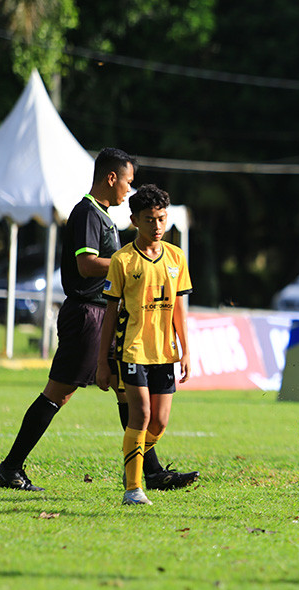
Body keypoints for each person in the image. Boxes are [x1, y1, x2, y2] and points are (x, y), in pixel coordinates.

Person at [0, 148, 198, 492]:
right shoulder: (87, 213)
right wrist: (130, 263)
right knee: (58, 393)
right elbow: (86, 264)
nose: (129, 190)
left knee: (126, 394)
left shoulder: (103, 215)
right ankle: (10, 467)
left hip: (105, 315)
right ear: (111, 178)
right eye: (128, 182)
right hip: (86, 315)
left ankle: (151, 472)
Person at [96, 184, 193, 506]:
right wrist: (102, 360)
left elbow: (179, 309)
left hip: (164, 352)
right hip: (133, 349)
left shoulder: (176, 257)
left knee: (160, 422)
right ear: (135, 220)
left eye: (162, 219)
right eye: (150, 220)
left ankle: (132, 459)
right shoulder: (122, 260)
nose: (157, 226)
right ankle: (133, 488)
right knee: (140, 416)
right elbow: (110, 313)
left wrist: (185, 351)